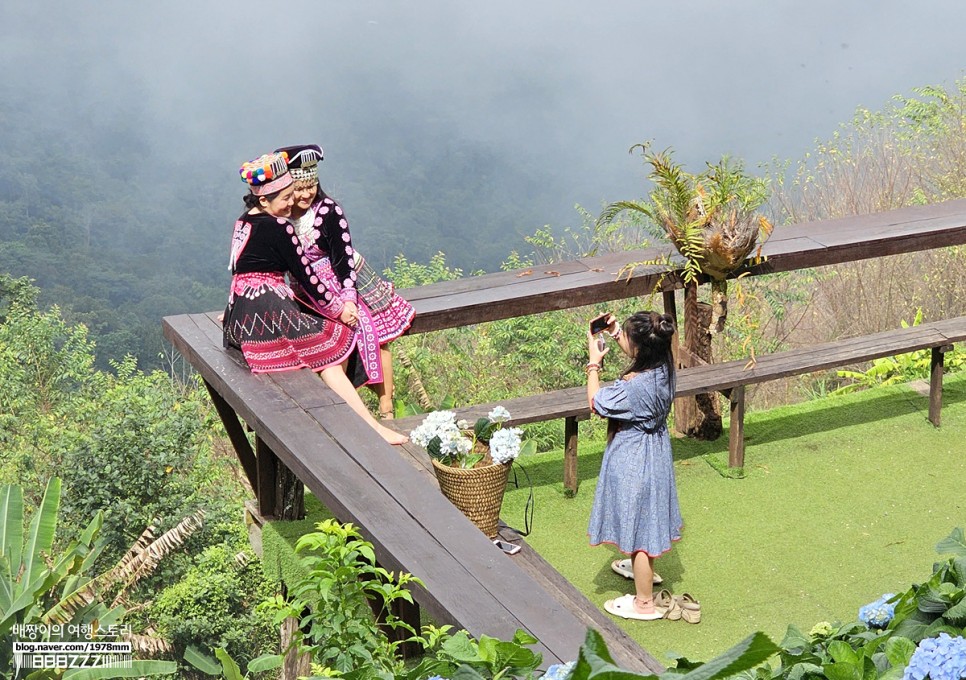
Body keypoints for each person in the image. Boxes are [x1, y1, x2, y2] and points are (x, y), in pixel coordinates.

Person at [223, 150, 407, 445]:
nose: (290, 203)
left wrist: (233, 308)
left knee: (327, 354)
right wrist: (339, 310)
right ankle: (369, 429)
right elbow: (308, 277)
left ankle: (358, 424)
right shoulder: (281, 225)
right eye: (286, 197)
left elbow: (238, 268)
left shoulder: (243, 222)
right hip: (270, 310)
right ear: (264, 200)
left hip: (242, 313)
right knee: (332, 349)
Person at [275, 144, 415, 419]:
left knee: (370, 334)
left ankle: (386, 408)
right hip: (303, 293)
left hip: (341, 283)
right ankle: (334, 412)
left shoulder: (329, 212)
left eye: (310, 186)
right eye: (298, 189)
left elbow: (343, 258)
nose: (305, 195)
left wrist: (347, 300)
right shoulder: (280, 218)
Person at [585, 311, 683, 620]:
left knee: (640, 530)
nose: (621, 339)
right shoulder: (664, 367)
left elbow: (597, 402)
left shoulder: (633, 388)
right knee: (645, 514)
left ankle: (643, 602)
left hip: (633, 458)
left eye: (625, 337)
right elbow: (643, 353)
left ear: (640, 348)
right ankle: (642, 572)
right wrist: (616, 333)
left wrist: (593, 363)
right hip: (656, 452)